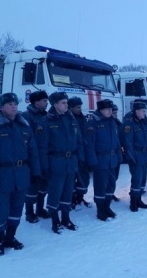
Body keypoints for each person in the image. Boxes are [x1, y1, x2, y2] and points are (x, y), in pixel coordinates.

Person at [0, 93, 41, 256]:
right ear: (1, 107)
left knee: (16, 209)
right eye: (9, 104)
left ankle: (10, 237)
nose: (14, 106)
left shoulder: (24, 126)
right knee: (0, 210)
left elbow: (33, 152)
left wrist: (36, 173)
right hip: (1, 176)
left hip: (21, 175)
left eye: (15, 103)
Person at [37, 92, 84, 234]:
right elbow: (42, 147)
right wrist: (44, 167)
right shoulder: (47, 121)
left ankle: (66, 218)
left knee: (68, 192)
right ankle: (54, 220)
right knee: (55, 192)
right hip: (55, 162)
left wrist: (80, 159)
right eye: (63, 102)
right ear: (55, 104)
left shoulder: (71, 119)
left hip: (71, 162)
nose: (66, 105)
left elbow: (79, 141)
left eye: (66, 102)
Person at [84, 99, 123, 220]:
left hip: (112, 158)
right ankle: (100, 209)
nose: (110, 111)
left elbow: (116, 141)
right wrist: (92, 161)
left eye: (111, 109)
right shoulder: (93, 123)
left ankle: (107, 206)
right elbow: (89, 144)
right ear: (101, 110)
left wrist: (119, 156)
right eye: (108, 109)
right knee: (101, 185)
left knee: (111, 184)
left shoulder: (112, 122)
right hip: (100, 159)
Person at [22, 90, 49, 223]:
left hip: (46, 156)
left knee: (44, 183)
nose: (47, 102)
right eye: (44, 100)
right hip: (33, 156)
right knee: (32, 185)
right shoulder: (27, 116)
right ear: (36, 102)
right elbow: (25, 138)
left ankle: (40, 208)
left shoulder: (46, 115)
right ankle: (29, 212)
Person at [121, 102, 147, 212]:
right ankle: (133, 202)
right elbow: (127, 143)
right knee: (136, 179)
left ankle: (139, 199)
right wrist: (131, 157)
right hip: (136, 154)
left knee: (143, 179)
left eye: (145, 110)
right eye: (143, 111)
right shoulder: (130, 124)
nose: (144, 113)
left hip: (144, 154)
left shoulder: (144, 122)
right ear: (136, 111)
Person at [68, 96, 91, 208]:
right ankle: (71, 199)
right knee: (71, 179)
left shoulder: (83, 118)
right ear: (70, 107)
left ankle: (80, 198)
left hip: (83, 153)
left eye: (80, 107)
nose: (80, 109)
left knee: (84, 178)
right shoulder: (67, 118)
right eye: (78, 107)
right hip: (72, 154)